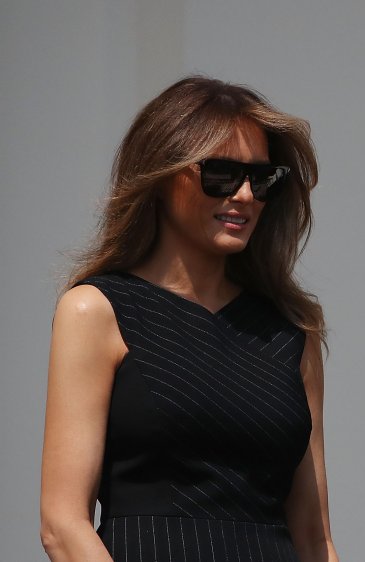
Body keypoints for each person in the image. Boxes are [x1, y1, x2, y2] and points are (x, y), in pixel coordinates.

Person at [40, 76, 338, 561]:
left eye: (261, 179)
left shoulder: (291, 333)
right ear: (161, 175)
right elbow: (62, 524)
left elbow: (314, 536)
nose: (244, 195)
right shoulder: (97, 311)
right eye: (221, 174)